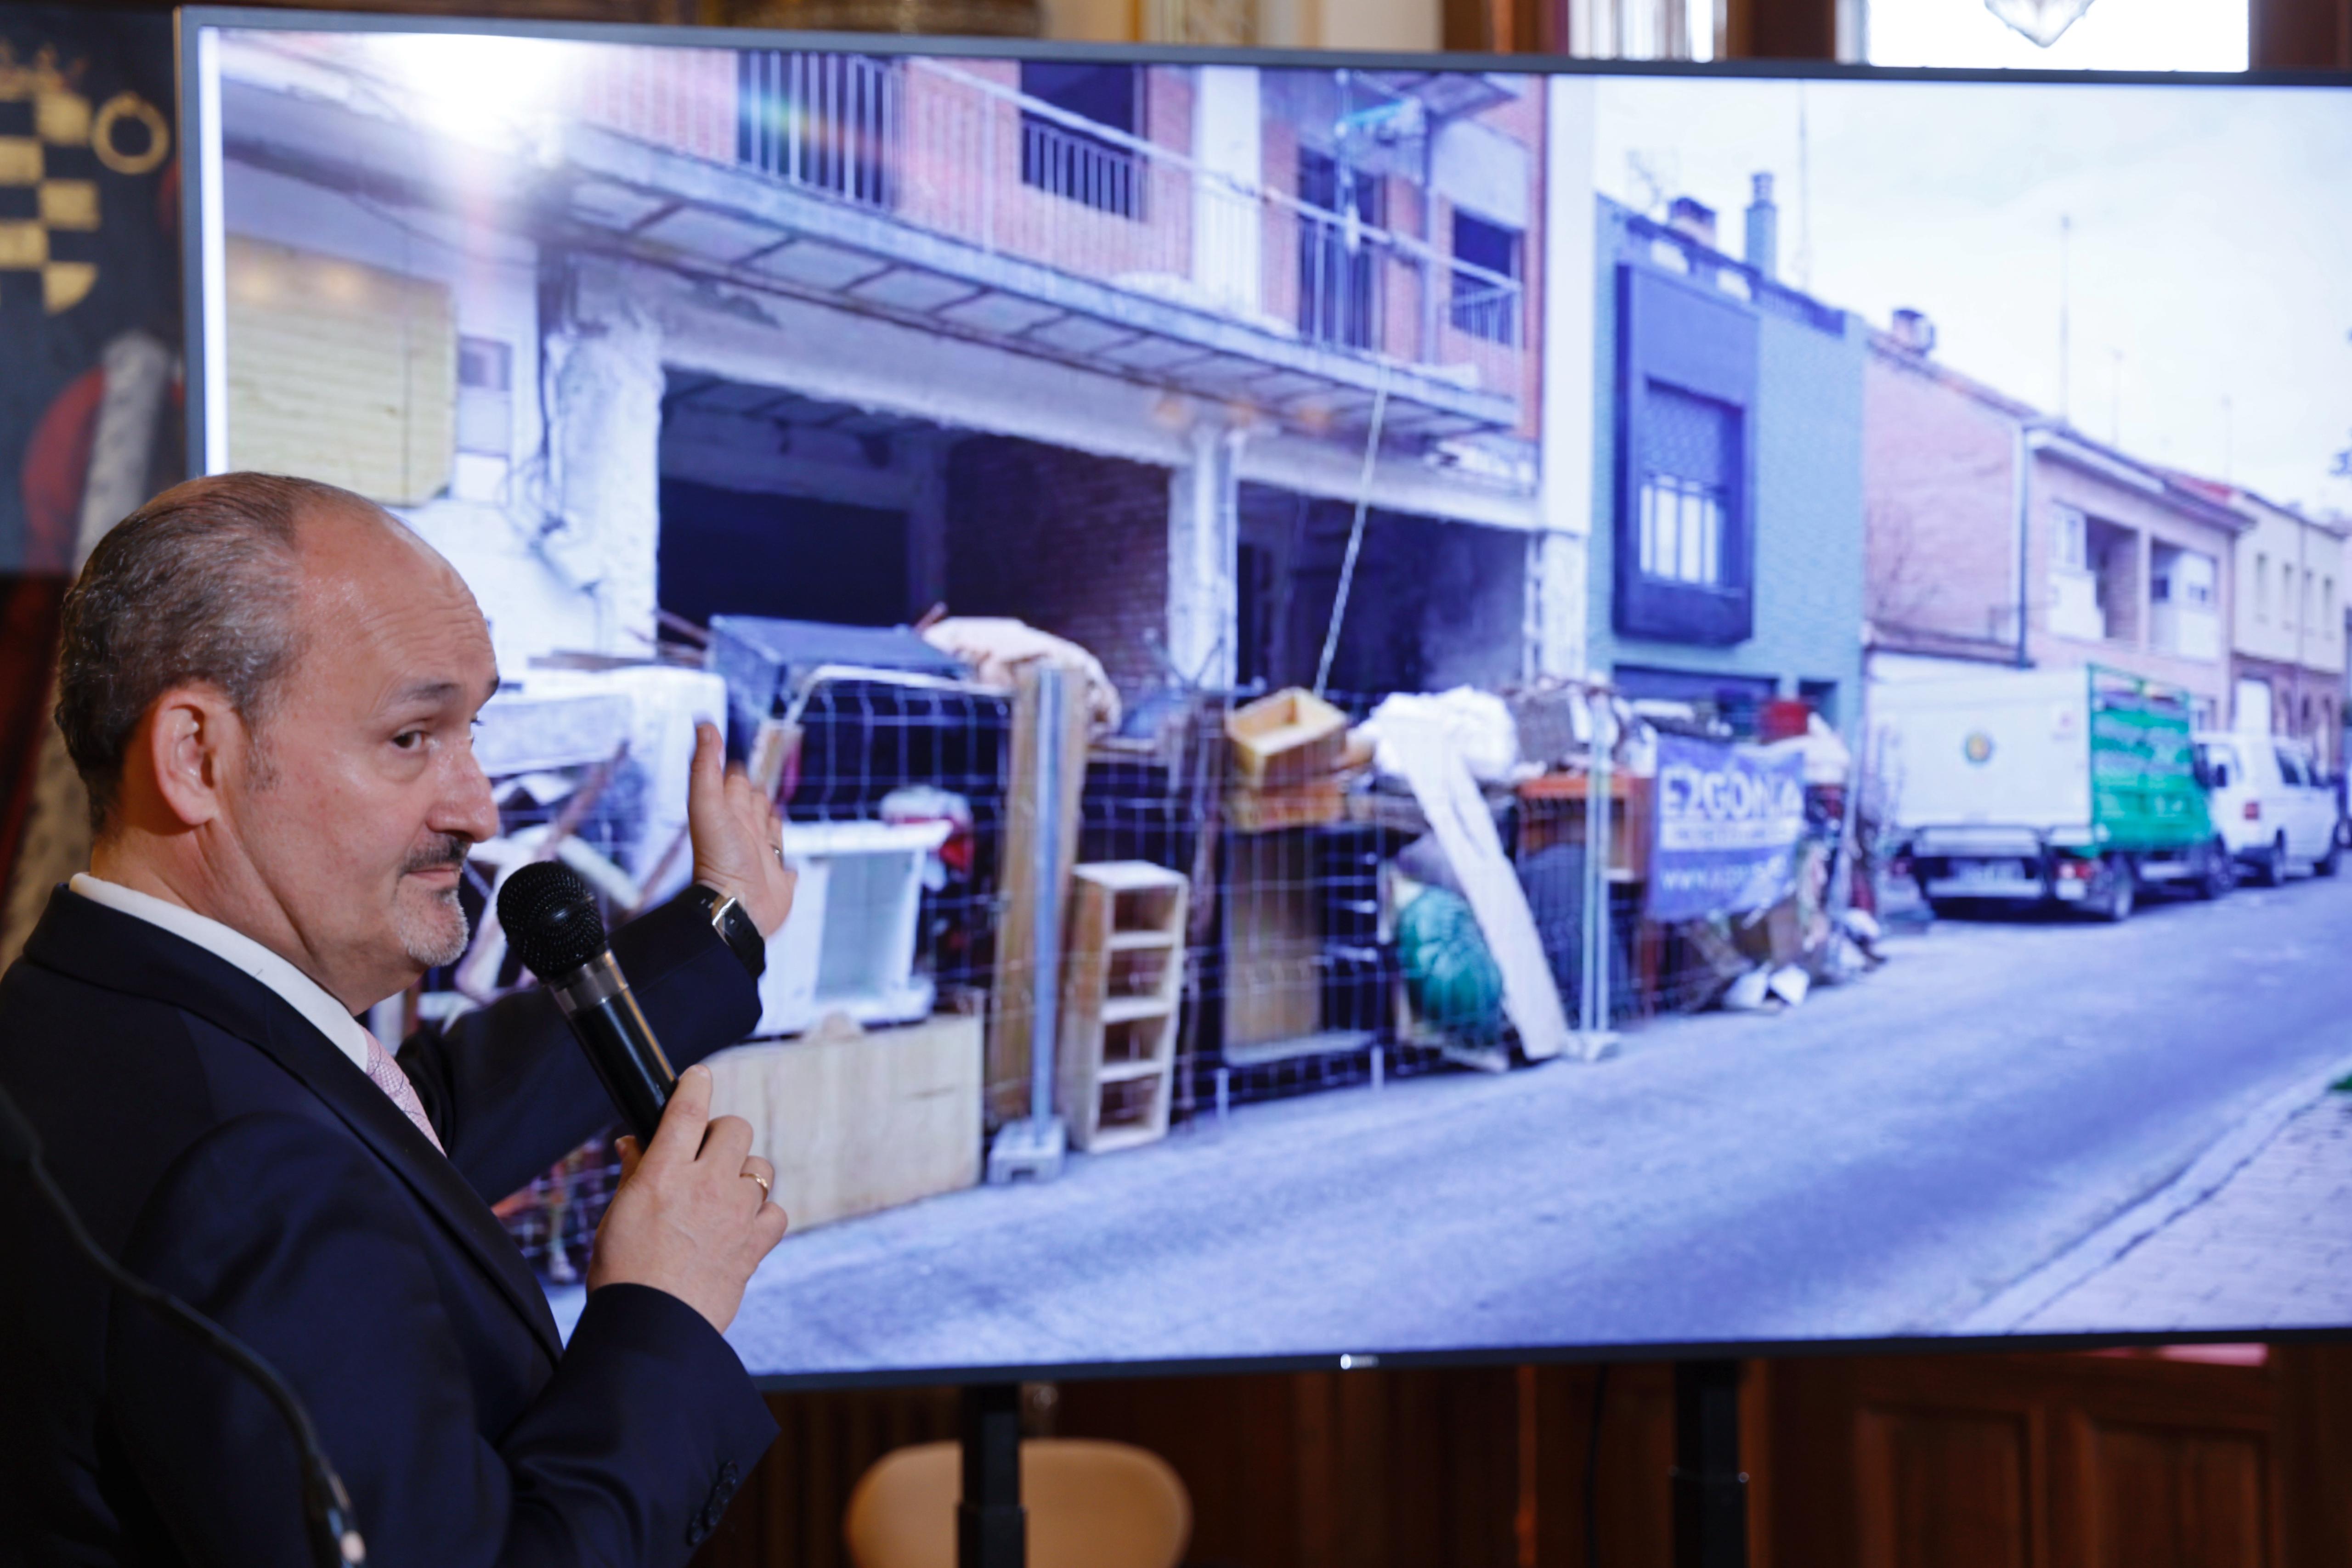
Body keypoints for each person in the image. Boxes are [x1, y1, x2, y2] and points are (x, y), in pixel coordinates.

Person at [0, 473, 798, 1567]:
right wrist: (662, 1310)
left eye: (473, 730)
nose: (478, 808)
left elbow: (409, 1128)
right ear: (197, 757)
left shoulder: (99, 1017)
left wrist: (720, 933)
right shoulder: (240, 1173)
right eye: (413, 736)